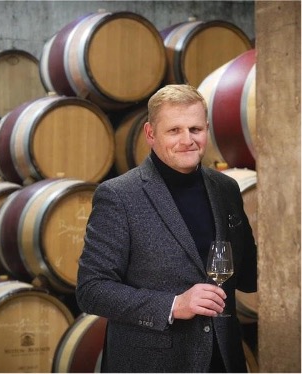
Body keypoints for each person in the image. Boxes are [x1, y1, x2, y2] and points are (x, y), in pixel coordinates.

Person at [75, 84, 257, 373]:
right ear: (150, 134)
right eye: (174, 130)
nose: (187, 140)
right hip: (153, 362)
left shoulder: (226, 188)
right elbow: (91, 290)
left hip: (224, 359)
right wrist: (173, 304)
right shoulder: (119, 195)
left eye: (195, 129)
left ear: (207, 129)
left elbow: (249, 275)